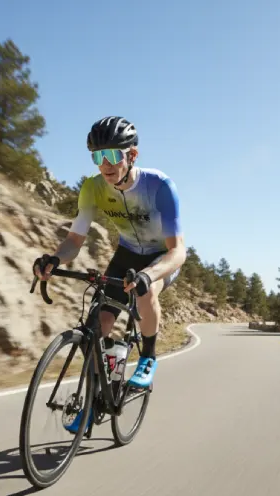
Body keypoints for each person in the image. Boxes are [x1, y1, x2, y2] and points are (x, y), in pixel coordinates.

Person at [33, 116, 186, 428]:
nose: (105, 164)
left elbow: (178, 250)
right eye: (98, 156)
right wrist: (55, 260)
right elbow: (75, 239)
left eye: (113, 155)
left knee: (146, 290)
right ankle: (95, 399)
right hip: (127, 253)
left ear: (132, 155)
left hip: (161, 255)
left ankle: (148, 358)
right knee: (96, 327)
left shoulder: (159, 186)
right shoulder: (92, 188)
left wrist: (149, 275)